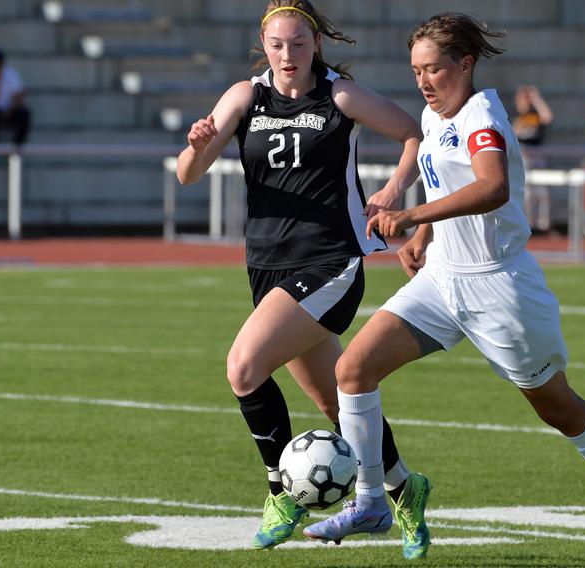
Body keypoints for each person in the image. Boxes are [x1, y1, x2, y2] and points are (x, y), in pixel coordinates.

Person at [304, 13, 585, 568]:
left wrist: (410, 215)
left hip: (501, 285)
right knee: (353, 369)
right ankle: (373, 502)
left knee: (558, 409)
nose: (424, 81)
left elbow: (492, 186)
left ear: (466, 64)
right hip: (443, 278)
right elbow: (442, 174)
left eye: (434, 69)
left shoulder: (483, 115)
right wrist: (425, 234)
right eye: (416, 70)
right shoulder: (434, 113)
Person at [176, 0, 429, 555]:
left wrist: (394, 190)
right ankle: (406, 490)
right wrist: (197, 148)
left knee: (243, 367)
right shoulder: (246, 95)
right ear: (262, 46)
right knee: (338, 405)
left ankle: (280, 492)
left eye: (297, 43)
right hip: (268, 265)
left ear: (316, 43)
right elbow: (187, 174)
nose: (287, 54)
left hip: (331, 261)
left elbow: (414, 132)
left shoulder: (339, 95)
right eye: (277, 44)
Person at [512, 84, 554, 234]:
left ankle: (543, 225)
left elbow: (548, 116)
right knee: (527, 192)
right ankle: (528, 224)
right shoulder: (518, 119)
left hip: (538, 154)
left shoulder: (536, 115)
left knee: (542, 191)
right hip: (524, 157)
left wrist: (536, 99)